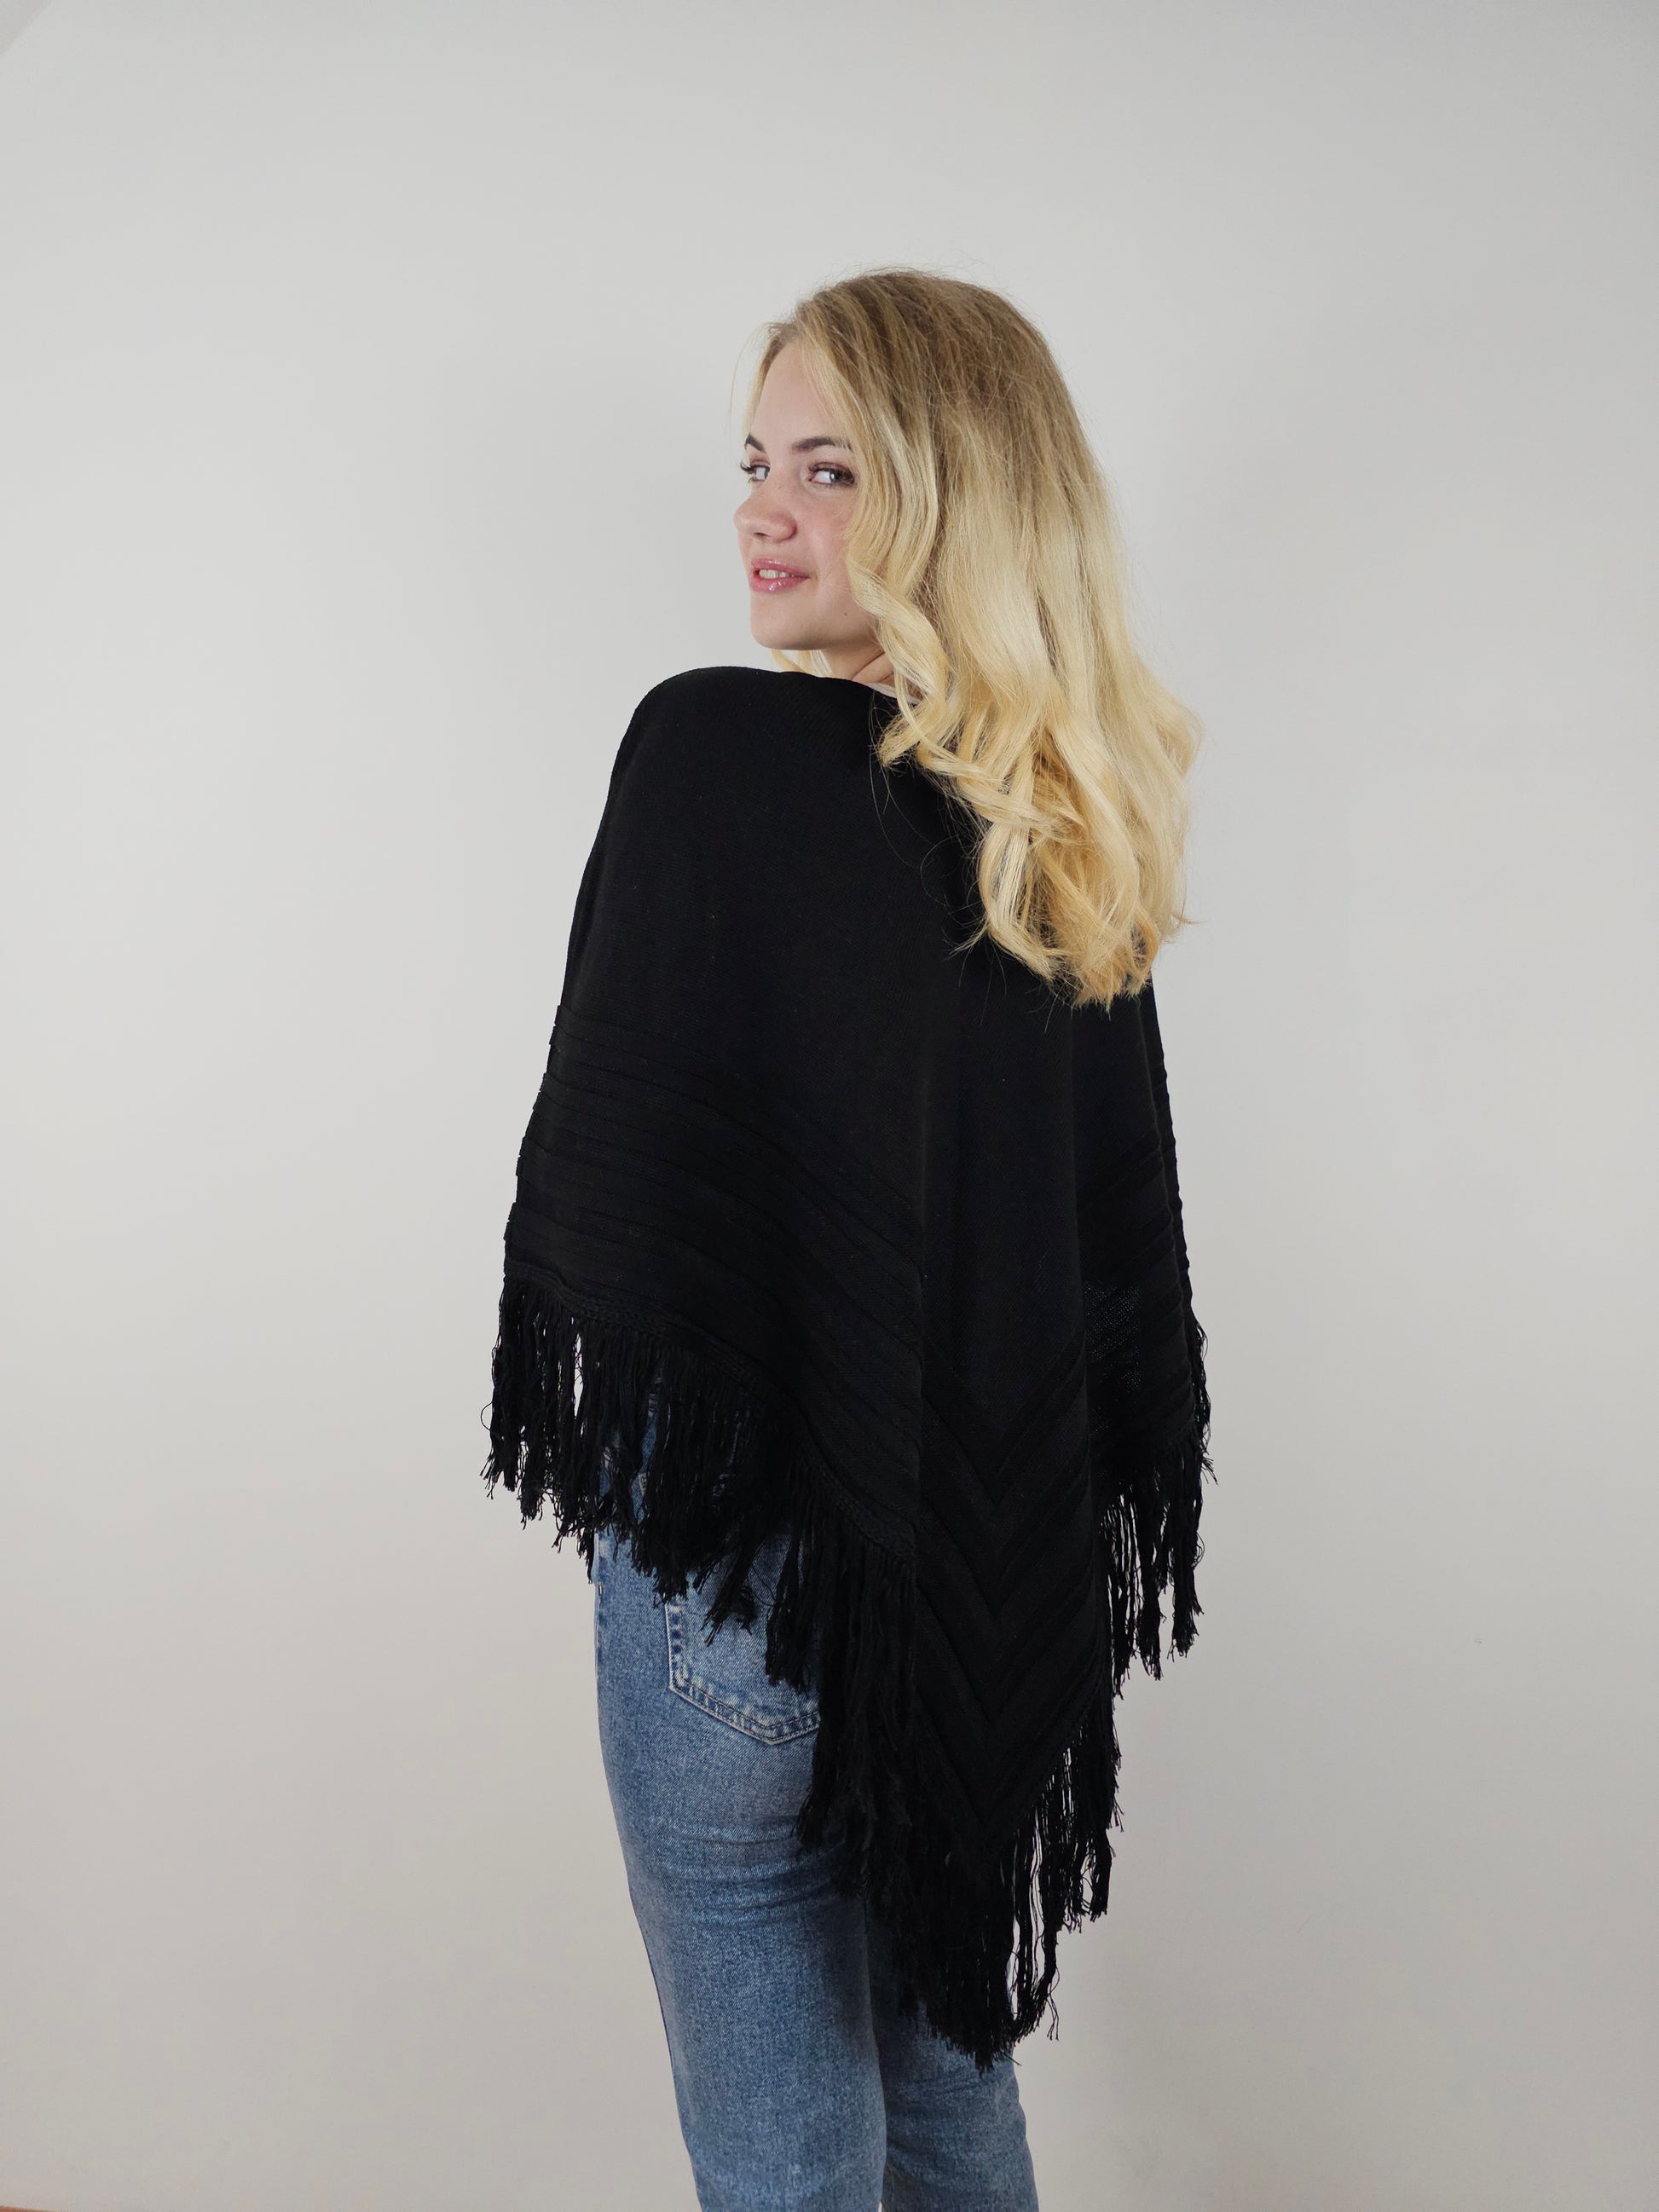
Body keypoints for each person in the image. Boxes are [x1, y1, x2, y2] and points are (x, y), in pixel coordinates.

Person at [483, 268, 1211, 2212]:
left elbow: (626, 1199)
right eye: (754, 463)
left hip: (738, 1591)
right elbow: (1095, 1273)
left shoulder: (708, 751)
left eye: (828, 470)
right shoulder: (1066, 837)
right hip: (967, 1581)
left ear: (953, 502)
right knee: (950, 2101)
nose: (761, 511)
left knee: (783, 2155)